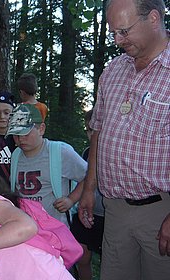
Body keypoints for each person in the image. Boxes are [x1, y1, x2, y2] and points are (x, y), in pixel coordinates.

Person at [78, 0, 170, 279]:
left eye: (124, 31)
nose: (118, 40)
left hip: (161, 210)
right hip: (115, 209)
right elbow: (98, 131)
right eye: (113, 33)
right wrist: (88, 189)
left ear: (153, 18)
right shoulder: (113, 70)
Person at [6, 103, 87, 226]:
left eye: (26, 134)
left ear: (41, 129)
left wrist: (71, 200)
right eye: (16, 135)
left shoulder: (60, 152)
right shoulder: (16, 155)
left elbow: (87, 176)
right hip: (26, 227)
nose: (20, 139)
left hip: (56, 227)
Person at [70, 110, 104, 280]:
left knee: (109, 259)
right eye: (88, 130)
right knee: (82, 254)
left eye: (95, 130)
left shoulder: (113, 154)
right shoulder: (85, 153)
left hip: (107, 215)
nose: (91, 134)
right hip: (87, 212)